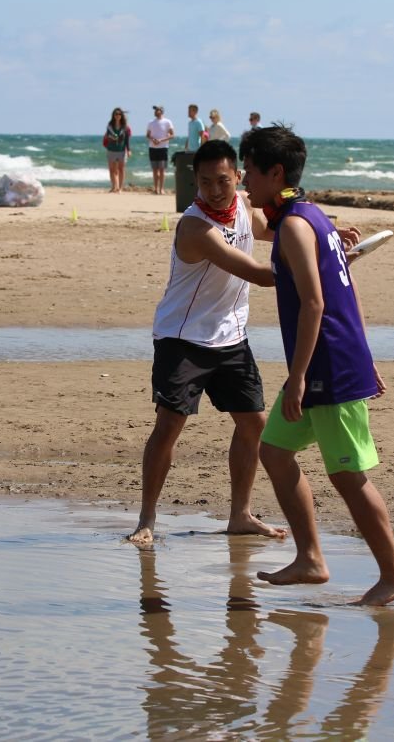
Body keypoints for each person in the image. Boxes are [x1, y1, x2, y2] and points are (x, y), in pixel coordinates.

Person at [240, 125, 394, 606]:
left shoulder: (298, 225)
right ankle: (310, 558)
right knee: (275, 451)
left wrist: (298, 378)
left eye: (250, 169)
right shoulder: (312, 216)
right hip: (326, 361)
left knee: (347, 475)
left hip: (327, 366)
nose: (244, 179)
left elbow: (316, 303)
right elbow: (345, 291)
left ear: (276, 173)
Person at [128, 139, 285, 547]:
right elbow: (258, 274)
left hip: (231, 336)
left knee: (253, 424)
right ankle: (146, 519)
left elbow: (276, 231)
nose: (214, 190)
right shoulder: (195, 227)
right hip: (183, 338)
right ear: (194, 181)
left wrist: (330, 238)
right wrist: (318, 265)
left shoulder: (246, 207)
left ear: (238, 177)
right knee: (169, 426)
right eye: (205, 182)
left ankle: (240, 515)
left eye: (222, 181)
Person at [145, 105, 175, 195]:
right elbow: (147, 135)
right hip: (152, 148)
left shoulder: (167, 122)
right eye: (155, 110)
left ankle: (161, 189)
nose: (155, 111)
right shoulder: (151, 122)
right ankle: (156, 189)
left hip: (163, 148)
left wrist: (161, 140)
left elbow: (172, 135)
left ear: (161, 111)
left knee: (162, 170)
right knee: (155, 170)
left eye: (157, 110)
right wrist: (153, 139)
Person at [102, 107, 132, 193]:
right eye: (116, 114)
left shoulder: (125, 127)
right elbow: (107, 136)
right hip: (111, 149)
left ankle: (120, 188)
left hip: (121, 150)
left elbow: (127, 140)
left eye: (119, 114)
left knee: (121, 169)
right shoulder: (110, 126)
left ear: (121, 115)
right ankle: (114, 187)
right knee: (112, 170)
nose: (117, 115)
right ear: (113, 115)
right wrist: (112, 137)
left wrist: (128, 150)